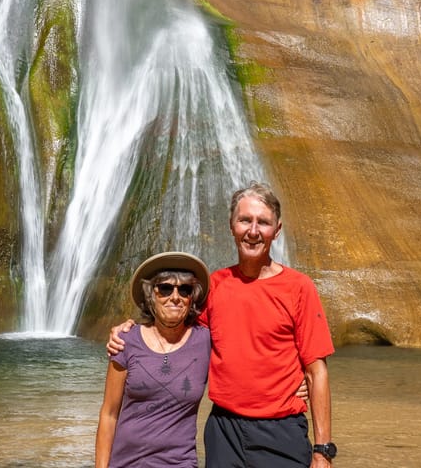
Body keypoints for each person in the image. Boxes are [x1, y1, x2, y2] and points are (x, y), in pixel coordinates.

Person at [108, 182, 337, 467]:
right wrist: (128, 330)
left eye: (263, 222)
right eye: (245, 220)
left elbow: (316, 372)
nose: (253, 231)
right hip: (223, 430)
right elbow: (173, 329)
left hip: (281, 430)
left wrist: (322, 450)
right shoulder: (214, 286)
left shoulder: (299, 288)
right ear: (231, 226)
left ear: (277, 230)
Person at [95, 251, 211, 468]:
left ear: (191, 298)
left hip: (179, 463)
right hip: (126, 463)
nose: (175, 297)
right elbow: (109, 414)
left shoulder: (205, 341)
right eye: (165, 288)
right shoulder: (126, 340)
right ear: (151, 295)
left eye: (184, 290)